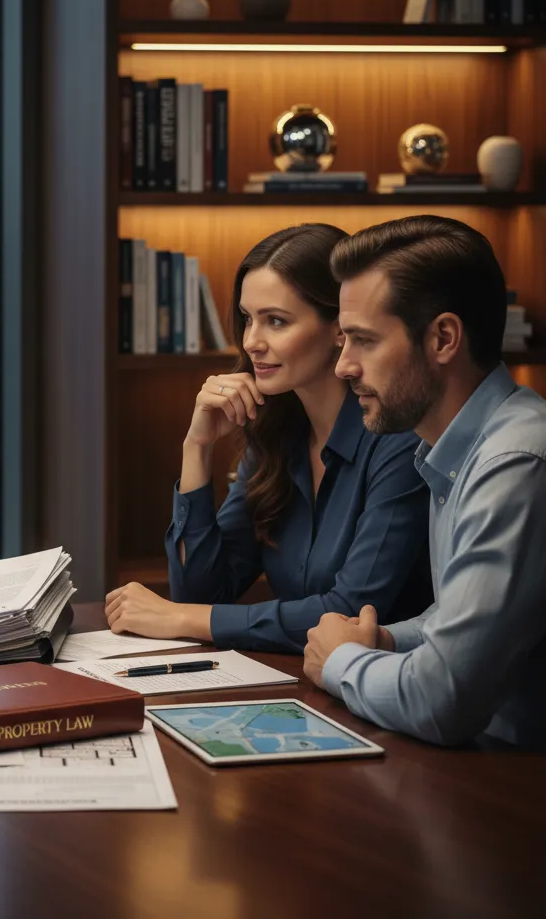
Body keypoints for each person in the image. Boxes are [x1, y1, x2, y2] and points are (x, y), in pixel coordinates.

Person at [105, 223, 431, 653]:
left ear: (341, 327)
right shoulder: (276, 436)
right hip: (307, 679)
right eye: (247, 319)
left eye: (276, 321)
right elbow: (202, 592)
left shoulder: (398, 439)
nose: (252, 342)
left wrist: (182, 618)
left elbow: (351, 613)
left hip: (386, 685)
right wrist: (197, 448)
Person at [303, 215, 546, 749]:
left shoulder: (515, 464)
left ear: (443, 338)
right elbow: (454, 616)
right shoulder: (457, 447)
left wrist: (342, 659)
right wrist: (383, 640)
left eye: (364, 341)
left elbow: (442, 698)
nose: (343, 366)